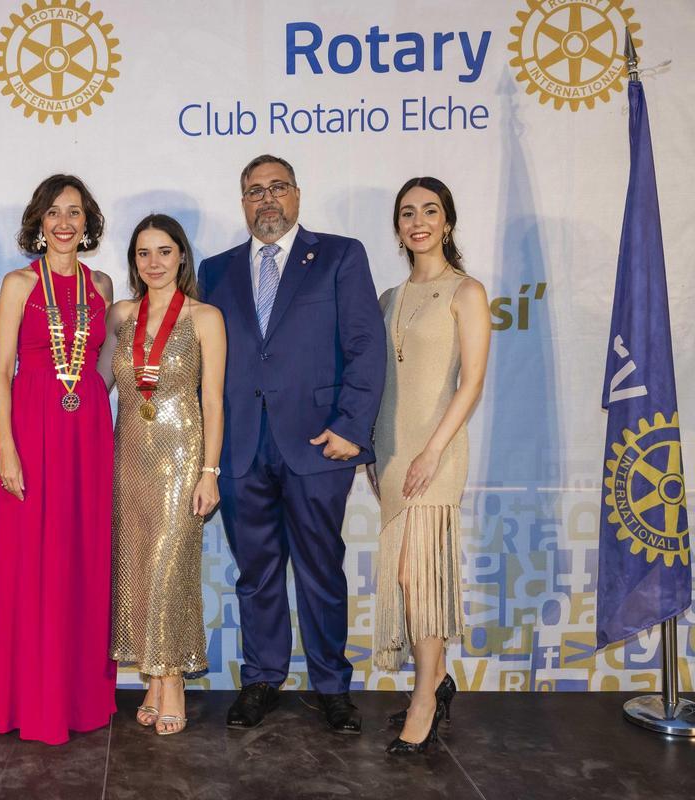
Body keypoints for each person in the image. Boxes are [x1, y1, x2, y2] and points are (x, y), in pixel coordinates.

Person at [197, 154, 385, 733]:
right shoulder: (215, 270)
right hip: (240, 449)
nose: (267, 200)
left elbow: (365, 345)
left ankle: (332, 685)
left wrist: (352, 427)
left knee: (321, 571)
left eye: (277, 188)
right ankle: (261, 679)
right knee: (255, 573)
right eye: (255, 191)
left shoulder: (339, 255)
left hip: (317, 445)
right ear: (242, 201)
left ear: (298, 195)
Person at [0, 174, 117, 745]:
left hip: (87, 430)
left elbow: (105, 369)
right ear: (39, 221)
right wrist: (7, 449)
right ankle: (30, 700)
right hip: (31, 433)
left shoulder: (103, 283)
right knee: (29, 566)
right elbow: (0, 374)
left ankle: (80, 698)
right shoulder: (17, 284)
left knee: (81, 561)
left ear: (88, 223)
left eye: (76, 213)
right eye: (54, 212)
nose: (65, 223)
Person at [371, 177, 490, 755]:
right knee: (403, 575)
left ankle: (424, 700)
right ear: (398, 226)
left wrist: (434, 449)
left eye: (430, 211)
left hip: (435, 451)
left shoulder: (466, 291)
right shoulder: (388, 298)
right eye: (407, 213)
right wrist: (375, 454)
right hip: (391, 455)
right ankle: (437, 680)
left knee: (424, 579)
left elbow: (471, 384)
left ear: (448, 220)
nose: (418, 221)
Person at [100, 214, 226, 736]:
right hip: (128, 458)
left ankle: (171, 680)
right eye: (143, 253)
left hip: (180, 457)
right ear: (134, 260)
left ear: (182, 256)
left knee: (168, 571)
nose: (154, 263)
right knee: (135, 572)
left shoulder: (204, 316)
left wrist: (209, 471)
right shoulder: (119, 315)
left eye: (164, 252)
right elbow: (96, 383)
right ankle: (153, 680)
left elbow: (214, 400)